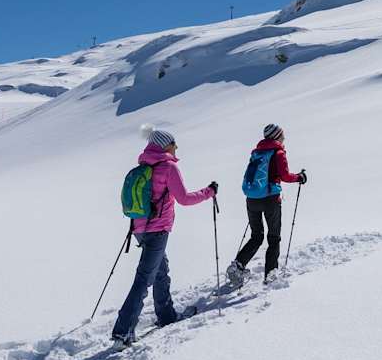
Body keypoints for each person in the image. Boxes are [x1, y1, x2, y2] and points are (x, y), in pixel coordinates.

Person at [111, 127, 217, 347]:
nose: (176, 147)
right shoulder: (168, 167)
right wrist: (209, 192)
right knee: (144, 278)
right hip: (157, 229)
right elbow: (185, 199)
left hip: (139, 228)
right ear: (164, 145)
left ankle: (166, 315)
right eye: (173, 143)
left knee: (160, 271)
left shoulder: (144, 165)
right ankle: (122, 331)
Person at [227, 123, 306, 284]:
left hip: (252, 199)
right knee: (274, 237)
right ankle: (271, 275)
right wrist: (299, 177)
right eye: (282, 135)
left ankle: (238, 266)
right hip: (271, 199)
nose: (284, 138)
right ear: (277, 136)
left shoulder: (257, 152)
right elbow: (284, 176)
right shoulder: (278, 152)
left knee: (256, 236)